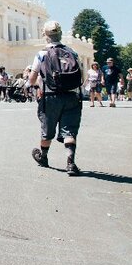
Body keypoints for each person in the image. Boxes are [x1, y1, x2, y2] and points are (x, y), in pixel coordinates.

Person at [29, 21, 83, 176]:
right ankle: (70, 163)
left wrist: (30, 85)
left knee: (47, 130)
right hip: (72, 97)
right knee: (69, 131)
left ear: (46, 36)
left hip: (50, 97)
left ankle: (43, 157)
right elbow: (82, 77)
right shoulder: (72, 52)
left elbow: (32, 79)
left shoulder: (42, 54)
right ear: (60, 34)